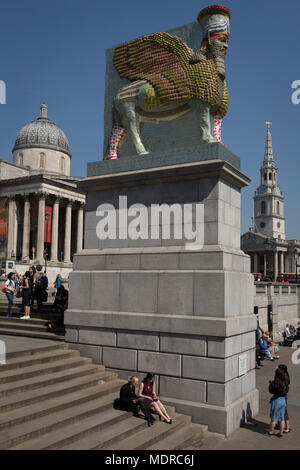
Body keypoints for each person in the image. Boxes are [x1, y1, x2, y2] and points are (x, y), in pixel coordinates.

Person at [268, 367, 289, 437]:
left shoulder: (275, 382)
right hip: (283, 400)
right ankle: (281, 433)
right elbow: (287, 390)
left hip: (276, 400)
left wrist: (270, 384)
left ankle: (271, 431)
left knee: (274, 418)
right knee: (282, 418)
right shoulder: (284, 382)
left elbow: (271, 391)